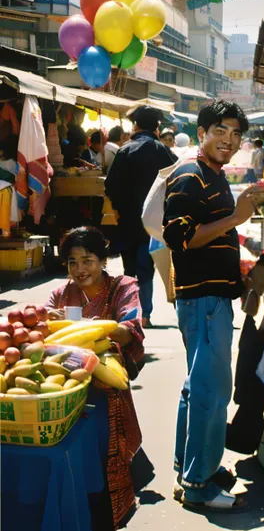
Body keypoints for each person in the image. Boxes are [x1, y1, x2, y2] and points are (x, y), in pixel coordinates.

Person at [163, 99, 256, 512]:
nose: (229, 140)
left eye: (236, 134)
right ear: (202, 133)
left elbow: (214, 232)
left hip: (212, 295)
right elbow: (179, 237)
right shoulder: (190, 175)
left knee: (196, 388)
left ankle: (191, 467)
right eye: (220, 131)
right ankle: (199, 484)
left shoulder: (212, 175)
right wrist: (236, 220)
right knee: (211, 390)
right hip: (201, 298)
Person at [46, 227, 146, 530]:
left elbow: (132, 328)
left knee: (104, 457)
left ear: (102, 259)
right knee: (72, 459)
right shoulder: (60, 294)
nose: (80, 270)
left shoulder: (123, 287)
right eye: (72, 262)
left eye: (87, 260)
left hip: (105, 388)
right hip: (66, 387)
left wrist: (94, 327)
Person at [105, 105, 177, 327]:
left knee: (130, 267)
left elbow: (110, 185)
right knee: (147, 266)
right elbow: (177, 181)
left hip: (127, 219)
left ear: (135, 126)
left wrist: (119, 206)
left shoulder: (125, 151)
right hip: (155, 222)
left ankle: (130, 311)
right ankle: (144, 314)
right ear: (156, 127)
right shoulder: (164, 151)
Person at [226, 284, 264, 455]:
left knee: (250, 407)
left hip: (254, 362)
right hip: (256, 362)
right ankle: (243, 441)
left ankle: (243, 439)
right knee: (251, 406)